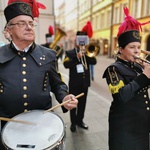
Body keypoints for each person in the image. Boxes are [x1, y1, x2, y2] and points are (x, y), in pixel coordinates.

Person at [0, 1, 78, 149]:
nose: (29, 27)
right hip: (8, 130)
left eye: (31, 23)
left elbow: (58, 84)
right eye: (22, 23)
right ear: (9, 30)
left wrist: (64, 96)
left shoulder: (48, 55)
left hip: (42, 127)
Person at [103, 7, 150, 150]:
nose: (136, 51)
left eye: (138, 47)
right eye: (132, 47)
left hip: (141, 126)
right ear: (121, 49)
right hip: (124, 129)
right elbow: (121, 96)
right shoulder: (113, 69)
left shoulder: (138, 67)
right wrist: (144, 76)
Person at [63, 22, 97, 132]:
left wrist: (86, 53)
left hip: (84, 83)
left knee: (82, 104)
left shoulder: (87, 52)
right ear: (75, 41)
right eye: (79, 40)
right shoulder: (69, 53)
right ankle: (73, 122)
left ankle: (80, 121)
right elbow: (65, 64)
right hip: (74, 83)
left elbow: (94, 61)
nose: (81, 42)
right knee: (73, 104)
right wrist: (77, 57)